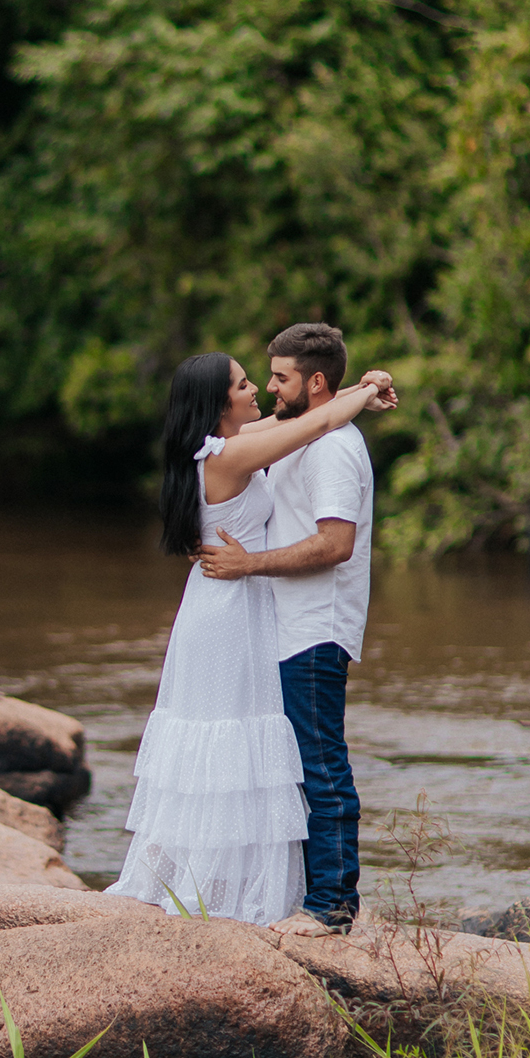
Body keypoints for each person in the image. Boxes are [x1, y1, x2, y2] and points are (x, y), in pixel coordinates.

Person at [105, 350, 384, 924]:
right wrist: (363, 393)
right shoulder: (229, 455)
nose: (256, 388)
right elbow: (318, 421)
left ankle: (237, 886)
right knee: (233, 744)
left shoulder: (226, 443)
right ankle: (226, 891)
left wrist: (363, 385)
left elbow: (300, 416)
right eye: (243, 383)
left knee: (246, 748)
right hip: (231, 605)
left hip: (234, 602)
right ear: (218, 402)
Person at [199, 323, 396, 937]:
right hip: (282, 626)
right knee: (297, 766)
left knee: (321, 765)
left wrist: (248, 565)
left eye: (280, 376)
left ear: (313, 382)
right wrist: (365, 387)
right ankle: (307, 895)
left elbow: (337, 545)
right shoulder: (302, 433)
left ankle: (331, 906)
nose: (268, 386)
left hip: (316, 626)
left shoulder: (335, 449)